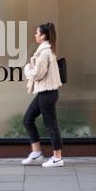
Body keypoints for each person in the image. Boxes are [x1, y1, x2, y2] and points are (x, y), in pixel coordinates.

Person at [22, 22, 64, 167]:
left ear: (43, 36)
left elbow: (36, 74)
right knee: (28, 119)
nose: (35, 35)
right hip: (44, 92)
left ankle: (57, 158)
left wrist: (27, 68)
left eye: (37, 33)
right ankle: (37, 153)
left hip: (48, 93)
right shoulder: (45, 50)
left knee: (51, 125)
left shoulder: (45, 52)